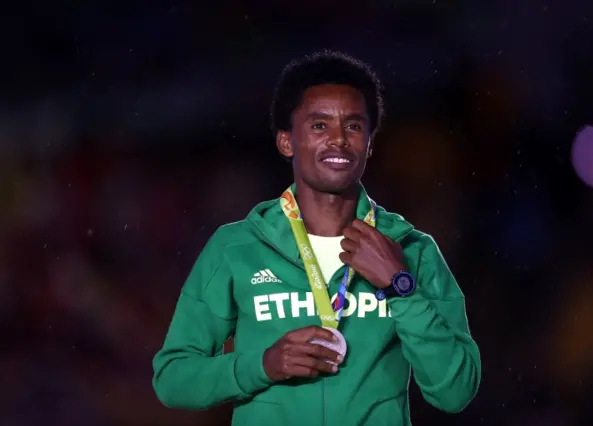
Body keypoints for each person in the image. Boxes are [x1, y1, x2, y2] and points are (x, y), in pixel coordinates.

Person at [152, 49, 481, 426]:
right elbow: (172, 380)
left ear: (370, 144)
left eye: (354, 126)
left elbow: (455, 392)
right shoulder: (237, 248)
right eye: (319, 125)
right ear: (286, 142)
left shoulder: (412, 250)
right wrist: (262, 366)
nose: (339, 140)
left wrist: (400, 287)